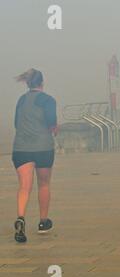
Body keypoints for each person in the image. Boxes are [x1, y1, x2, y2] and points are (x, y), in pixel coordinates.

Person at [12, 69, 58, 243]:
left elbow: (17, 123)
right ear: (42, 83)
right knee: (44, 184)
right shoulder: (48, 100)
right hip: (43, 148)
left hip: (21, 148)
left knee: (24, 187)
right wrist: (55, 129)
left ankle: (21, 218)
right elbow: (51, 123)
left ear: (27, 83)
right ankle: (43, 221)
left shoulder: (21, 100)